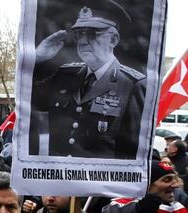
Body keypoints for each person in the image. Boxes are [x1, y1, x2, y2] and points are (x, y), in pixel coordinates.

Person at [30, 1, 146, 159]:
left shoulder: (132, 85)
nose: (83, 41)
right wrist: (37, 59)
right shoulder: (66, 75)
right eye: (79, 34)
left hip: (100, 182)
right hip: (59, 180)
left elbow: (130, 153)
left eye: (92, 34)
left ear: (113, 40)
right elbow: (29, 100)